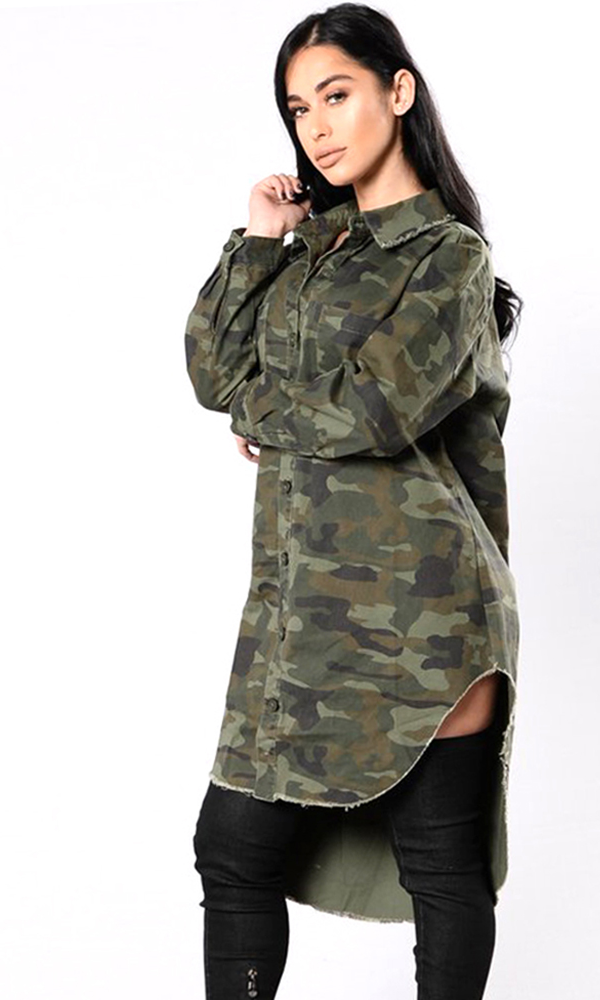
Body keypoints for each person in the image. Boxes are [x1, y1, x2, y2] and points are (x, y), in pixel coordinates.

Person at [183, 4, 523, 998]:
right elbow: (211, 372)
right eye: (300, 109)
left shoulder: (450, 259)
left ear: (398, 91)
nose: (318, 126)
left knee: (440, 867)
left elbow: (372, 410)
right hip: (299, 617)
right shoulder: (308, 251)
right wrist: (259, 241)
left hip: (425, 617)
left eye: (336, 94)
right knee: (232, 848)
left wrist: (267, 411)